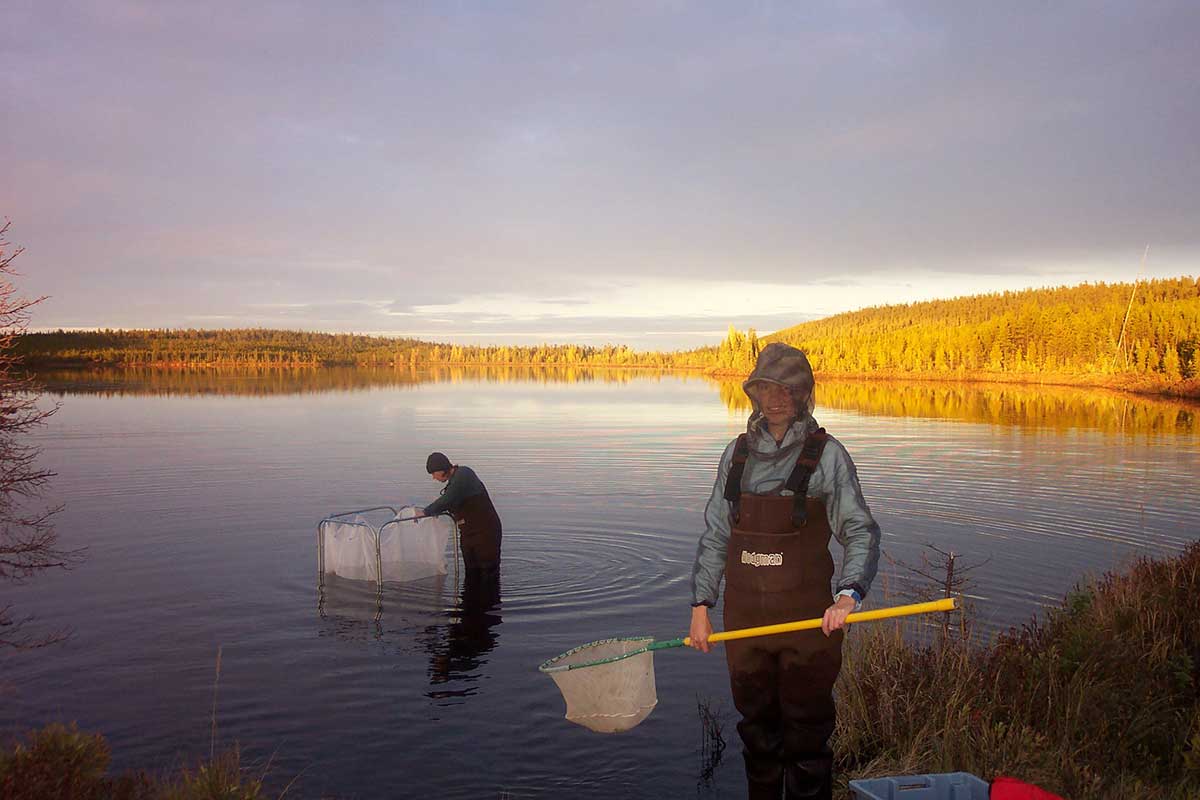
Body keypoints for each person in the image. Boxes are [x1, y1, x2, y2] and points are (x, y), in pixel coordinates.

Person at [688, 343, 880, 800]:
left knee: (807, 737)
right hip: (745, 626)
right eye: (766, 388)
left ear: (802, 395)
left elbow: (860, 530)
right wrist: (700, 604)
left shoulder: (827, 455)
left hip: (810, 625)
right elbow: (716, 533)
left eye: (786, 389)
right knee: (757, 734)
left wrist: (848, 595)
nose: (776, 398)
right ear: (754, 394)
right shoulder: (735, 456)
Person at [414, 452, 502, 576]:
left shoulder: (464, 474)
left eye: (433, 473)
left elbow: (448, 498)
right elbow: (449, 500)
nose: (434, 477)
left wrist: (425, 511)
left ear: (441, 469)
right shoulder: (453, 483)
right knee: (471, 573)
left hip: (486, 533)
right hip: (467, 533)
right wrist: (436, 510)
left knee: (488, 573)